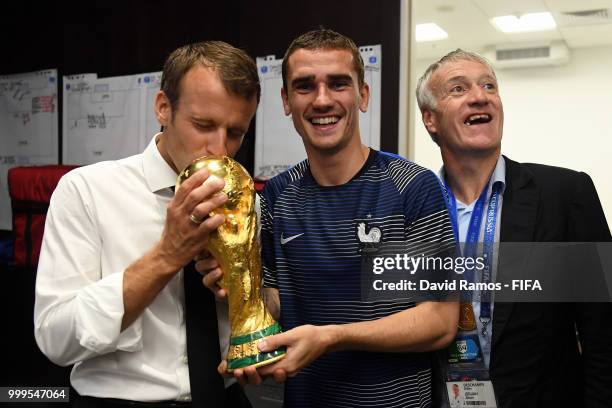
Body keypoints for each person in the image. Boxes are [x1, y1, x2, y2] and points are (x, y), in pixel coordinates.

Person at [204, 29, 459, 408]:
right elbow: (273, 303)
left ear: (363, 95)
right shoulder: (275, 196)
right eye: (305, 86)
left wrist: (332, 337)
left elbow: (440, 321)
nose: (322, 100)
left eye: (338, 84)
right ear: (286, 100)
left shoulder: (413, 187)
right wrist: (236, 285)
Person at [34, 41, 260, 408]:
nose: (220, 149)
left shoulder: (247, 199)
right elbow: (55, 339)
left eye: (235, 132)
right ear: (163, 108)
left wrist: (238, 293)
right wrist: (167, 256)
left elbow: (252, 318)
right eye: (203, 125)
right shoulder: (86, 191)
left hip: (227, 398)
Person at [416, 49, 612, 407]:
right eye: (459, 89)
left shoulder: (565, 195)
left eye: (489, 85)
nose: (480, 95)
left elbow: (603, 331)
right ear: (430, 119)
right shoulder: (413, 207)